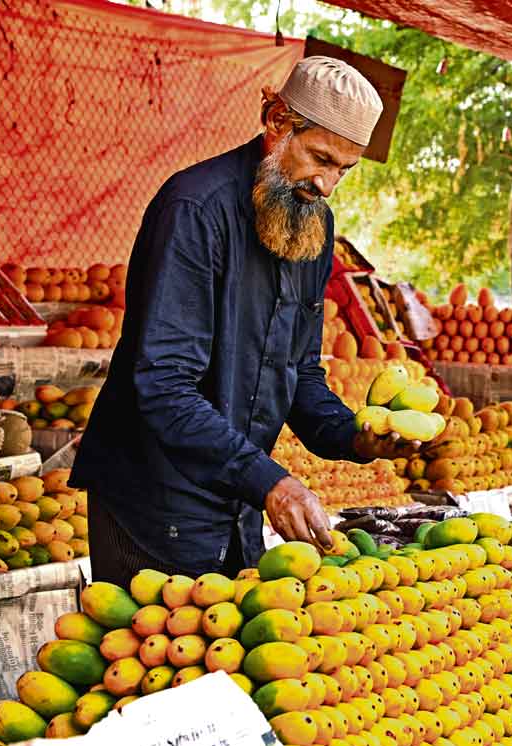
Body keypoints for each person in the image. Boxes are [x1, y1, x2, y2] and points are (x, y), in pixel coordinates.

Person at [71, 57, 388, 588]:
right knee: (157, 644)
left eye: (344, 170)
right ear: (277, 121)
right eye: (320, 159)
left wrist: (356, 438)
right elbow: (164, 383)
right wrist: (268, 481)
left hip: (234, 502)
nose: (328, 185)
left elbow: (299, 374)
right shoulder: (194, 208)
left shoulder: (313, 222)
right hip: (155, 505)